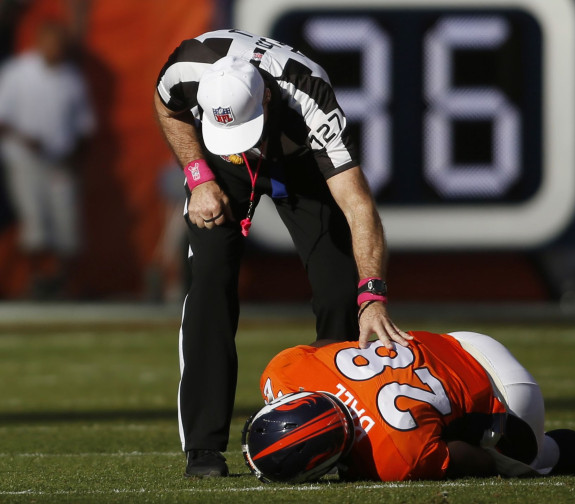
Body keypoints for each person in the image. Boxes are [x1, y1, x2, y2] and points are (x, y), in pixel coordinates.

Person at [153, 29, 410, 477]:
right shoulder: (185, 69)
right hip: (222, 167)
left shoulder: (311, 98)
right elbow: (167, 109)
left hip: (297, 164)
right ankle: (203, 447)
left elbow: (358, 205)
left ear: (267, 99)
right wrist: (198, 175)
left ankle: (340, 427)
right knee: (210, 279)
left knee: (337, 288)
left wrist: (373, 294)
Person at [243, 330, 575, 481]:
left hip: (510, 393)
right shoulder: (285, 371)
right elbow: (329, 346)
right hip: (459, 340)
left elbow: (476, 459)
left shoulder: (392, 460)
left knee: (525, 460)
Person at [0, 19, 95, 299]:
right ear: (39, 42)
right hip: (24, 160)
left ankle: (62, 285)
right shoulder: (17, 73)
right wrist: (25, 138)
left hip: (61, 162)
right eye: (51, 42)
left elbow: (84, 125)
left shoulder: (72, 77)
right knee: (35, 223)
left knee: (67, 225)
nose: (56, 49)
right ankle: (34, 281)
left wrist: (76, 159)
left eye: (60, 43)